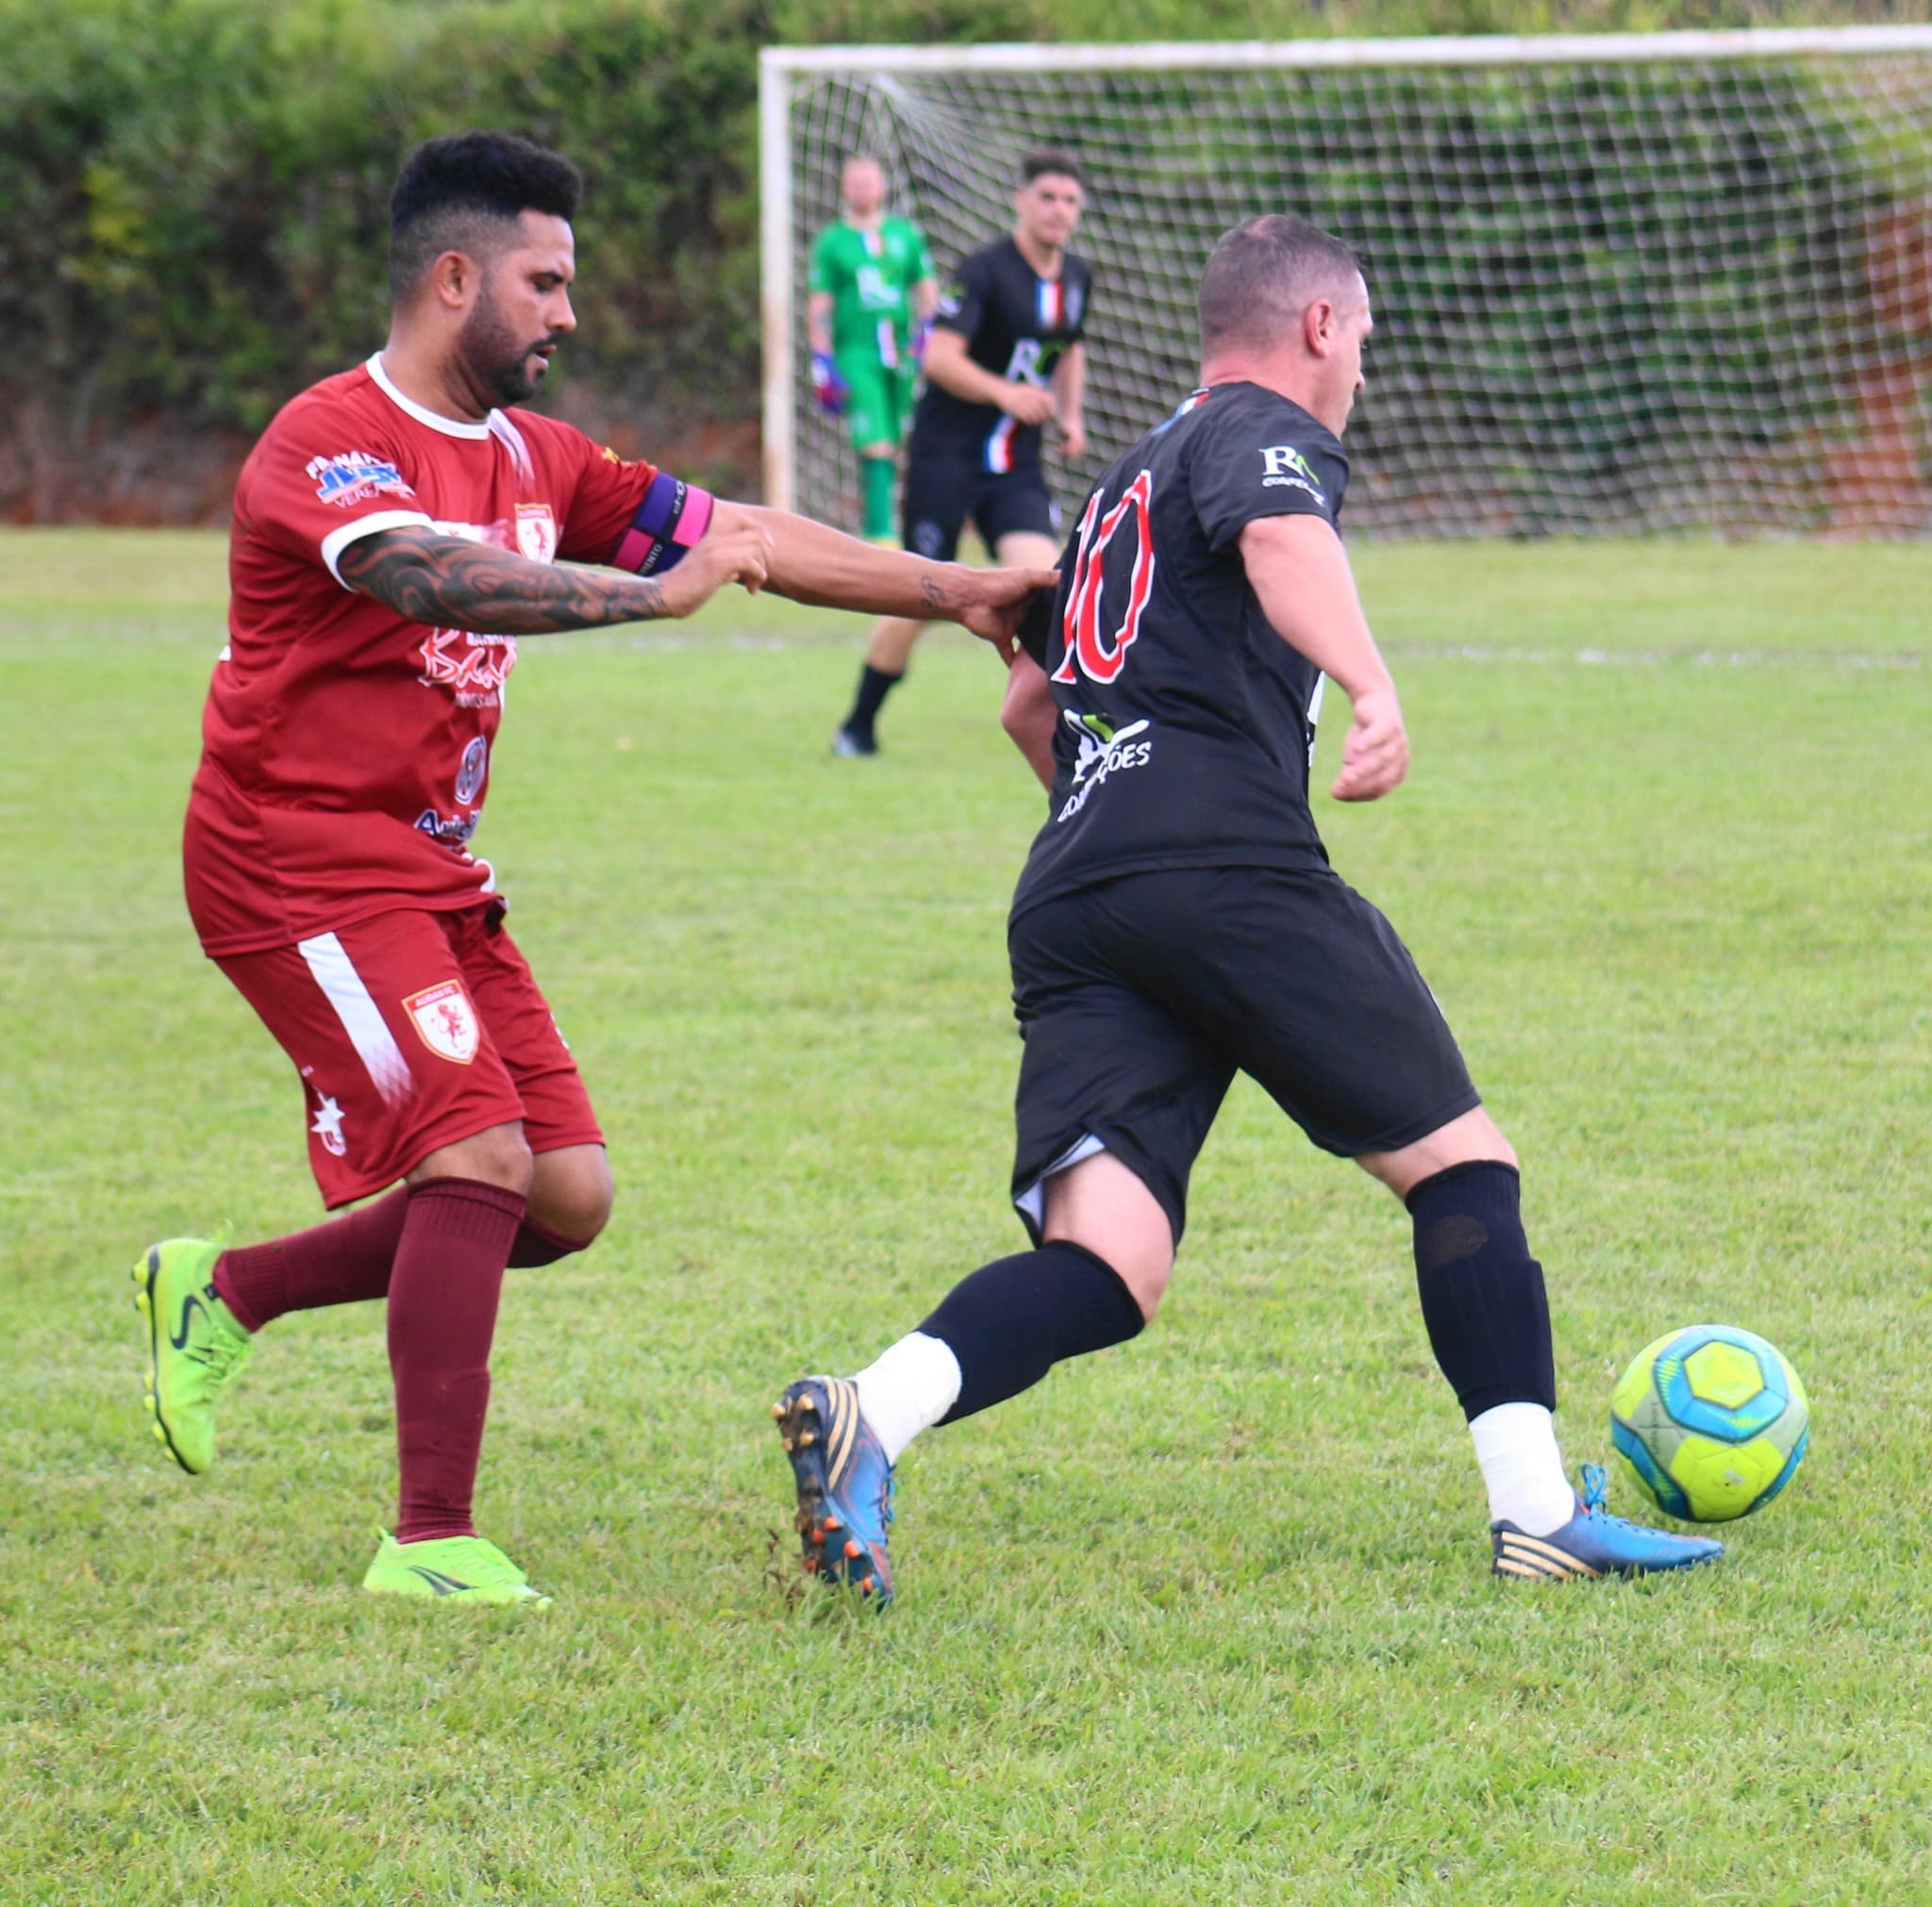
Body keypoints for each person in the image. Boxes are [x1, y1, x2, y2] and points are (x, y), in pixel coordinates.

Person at [131, 129, 1051, 1607]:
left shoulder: (541, 458)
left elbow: (741, 534)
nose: (568, 313)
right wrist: (640, 596)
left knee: (562, 1193)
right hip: (289, 862)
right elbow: (419, 570)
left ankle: (225, 1289)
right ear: (453, 277)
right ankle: (427, 1538)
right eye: (543, 282)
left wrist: (957, 592)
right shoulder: (328, 440)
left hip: (427, 866)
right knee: (475, 1154)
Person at [774, 213, 1723, 1602]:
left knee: (1110, 1262)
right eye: (1364, 342)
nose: (1358, 372)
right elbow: (1283, 539)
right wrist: (1376, 686)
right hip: (1222, 861)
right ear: (1321, 328)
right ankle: (1535, 1511)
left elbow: (1028, 702)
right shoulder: (1261, 432)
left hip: (1075, 884)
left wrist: (1119, 829)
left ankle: (874, 1404)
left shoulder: (1114, 492)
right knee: (1464, 1167)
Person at [832, 151, 1091, 757]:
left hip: (1015, 466)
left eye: (1070, 201)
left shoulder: (1077, 277)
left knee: (1052, 590)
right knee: (923, 593)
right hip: (945, 457)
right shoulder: (982, 271)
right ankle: (859, 724)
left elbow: (1069, 348)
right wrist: (1006, 392)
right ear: (1020, 201)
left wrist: (1071, 416)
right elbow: (938, 357)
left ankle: (1072, 733)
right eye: (1047, 197)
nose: (1059, 210)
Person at [807, 156, 937, 544]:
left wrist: (927, 336)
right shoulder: (832, 242)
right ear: (845, 189)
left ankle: (903, 527)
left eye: (870, 182)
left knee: (898, 443)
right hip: (857, 354)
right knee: (875, 441)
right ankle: (881, 535)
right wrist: (822, 363)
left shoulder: (905, 235)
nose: (863, 189)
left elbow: (927, 289)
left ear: (883, 187)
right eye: (856, 182)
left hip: (902, 353)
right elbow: (819, 306)